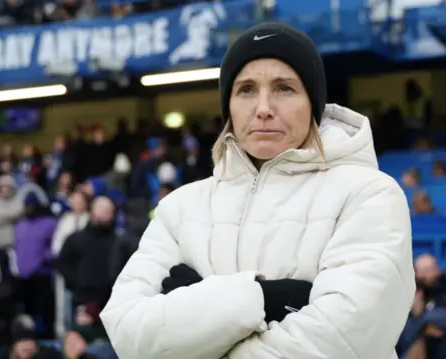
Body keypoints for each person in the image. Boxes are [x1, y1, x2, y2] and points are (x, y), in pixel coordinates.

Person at [100, 22, 415, 359]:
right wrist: (263, 299)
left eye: (284, 88)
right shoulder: (178, 210)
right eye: (246, 89)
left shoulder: (368, 194)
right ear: (229, 107)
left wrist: (197, 318)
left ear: (313, 103)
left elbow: (343, 338)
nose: (263, 108)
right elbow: (129, 332)